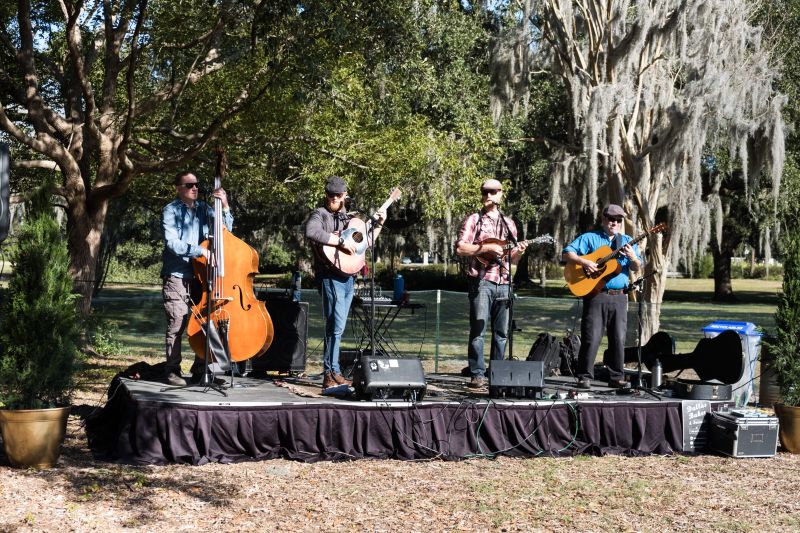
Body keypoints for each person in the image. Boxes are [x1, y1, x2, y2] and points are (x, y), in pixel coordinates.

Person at [305, 176, 386, 389]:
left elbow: (364, 243)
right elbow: (311, 232)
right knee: (336, 326)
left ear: (344, 196)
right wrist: (339, 242)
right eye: (330, 194)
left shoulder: (347, 218)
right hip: (329, 277)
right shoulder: (319, 214)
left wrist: (378, 224)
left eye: (338, 195)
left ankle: (333, 371)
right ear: (326, 194)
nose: (333, 198)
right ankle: (331, 373)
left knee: (336, 327)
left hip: (348, 277)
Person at [160, 170, 233, 386]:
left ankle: (202, 370)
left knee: (204, 322)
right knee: (178, 323)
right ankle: (173, 371)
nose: (194, 188)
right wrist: (201, 251)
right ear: (178, 188)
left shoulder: (204, 209)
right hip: (178, 275)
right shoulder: (170, 211)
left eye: (197, 185)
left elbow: (224, 233)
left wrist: (225, 207)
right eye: (189, 185)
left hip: (202, 276)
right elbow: (172, 243)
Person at [455, 179, 528, 388]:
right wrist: (484, 249)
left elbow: (512, 259)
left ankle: (497, 373)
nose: (489, 195)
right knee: (478, 329)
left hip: (504, 282)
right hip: (481, 281)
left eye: (493, 191)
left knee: (502, 333)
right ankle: (477, 373)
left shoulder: (509, 223)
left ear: (500, 194)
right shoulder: (474, 220)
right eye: (485, 191)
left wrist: (519, 252)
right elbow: (460, 248)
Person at [561, 203, 642, 389]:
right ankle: (584, 376)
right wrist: (585, 261)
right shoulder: (591, 238)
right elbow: (567, 253)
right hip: (596, 295)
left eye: (618, 220)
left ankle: (616, 377)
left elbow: (637, 267)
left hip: (620, 297)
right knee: (591, 336)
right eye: (611, 219)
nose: (614, 223)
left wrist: (632, 258)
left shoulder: (627, 241)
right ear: (604, 219)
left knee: (618, 338)